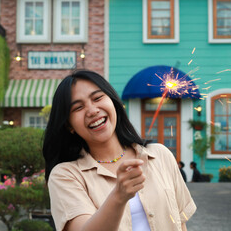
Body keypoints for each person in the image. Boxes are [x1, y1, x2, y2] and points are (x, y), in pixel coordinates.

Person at [43, 70, 197, 231]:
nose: (92, 110)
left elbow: (181, 224)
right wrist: (118, 196)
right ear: (69, 125)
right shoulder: (65, 175)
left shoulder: (160, 155)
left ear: (114, 102)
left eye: (97, 98)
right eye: (78, 107)